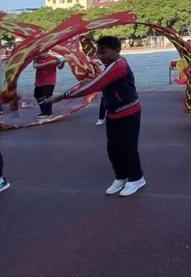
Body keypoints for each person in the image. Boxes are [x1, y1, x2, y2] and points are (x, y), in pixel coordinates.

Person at [46, 36, 146, 197]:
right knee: (113, 148)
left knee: (128, 148)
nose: (99, 56)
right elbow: (91, 80)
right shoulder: (109, 64)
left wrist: (61, 96)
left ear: (117, 51)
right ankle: (121, 177)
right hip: (114, 113)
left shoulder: (119, 66)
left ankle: (136, 178)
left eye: (103, 52)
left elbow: (94, 85)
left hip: (128, 112)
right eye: (98, 52)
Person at [33, 53, 65, 118]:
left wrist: (63, 63)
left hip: (50, 81)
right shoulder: (37, 58)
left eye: (43, 52)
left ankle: (48, 113)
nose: (41, 54)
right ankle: (44, 112)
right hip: (39, 81)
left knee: (47, 96)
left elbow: (60, 67)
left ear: (47, 51)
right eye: (40, 52)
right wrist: (50, 62)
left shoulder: (53, 58)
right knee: (37, 95)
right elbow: (36, 66)